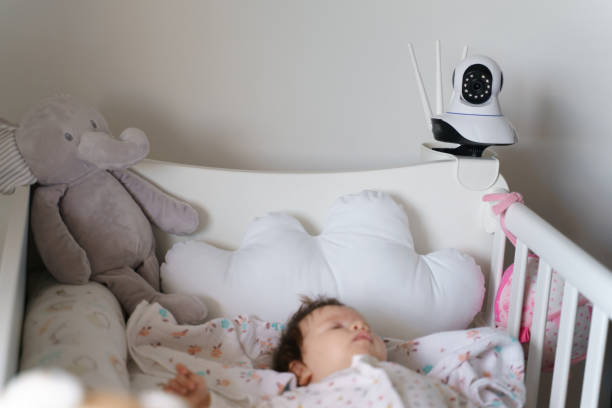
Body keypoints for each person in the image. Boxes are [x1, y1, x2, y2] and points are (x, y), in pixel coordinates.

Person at [164, 296, 475, 408]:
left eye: (363, 325)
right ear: (301, 369)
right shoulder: (299, 400)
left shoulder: (419, 379)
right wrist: (206, 403)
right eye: (338, 327)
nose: (359, 328)